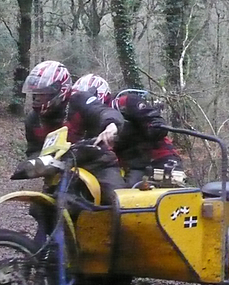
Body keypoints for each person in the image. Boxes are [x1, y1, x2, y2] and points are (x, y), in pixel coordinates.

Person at [21, 61, 127, 204]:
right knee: (39, 208)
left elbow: (102, 111)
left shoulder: (79, 100)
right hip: (59, 168)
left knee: (118, 201)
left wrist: (111, 126)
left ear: (60, 90)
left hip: (97, 162)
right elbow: (33, 149)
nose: (37, 99)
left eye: (43, 94)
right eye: (35, 94)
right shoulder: (33, 120)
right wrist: (38, 163)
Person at [112, 89, 184, 187]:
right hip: (134, 166)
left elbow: (152, 118)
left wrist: (154, 126)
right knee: (127, 190)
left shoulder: (125, 103)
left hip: (160, 157)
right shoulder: (94, 121)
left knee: (172, 185)